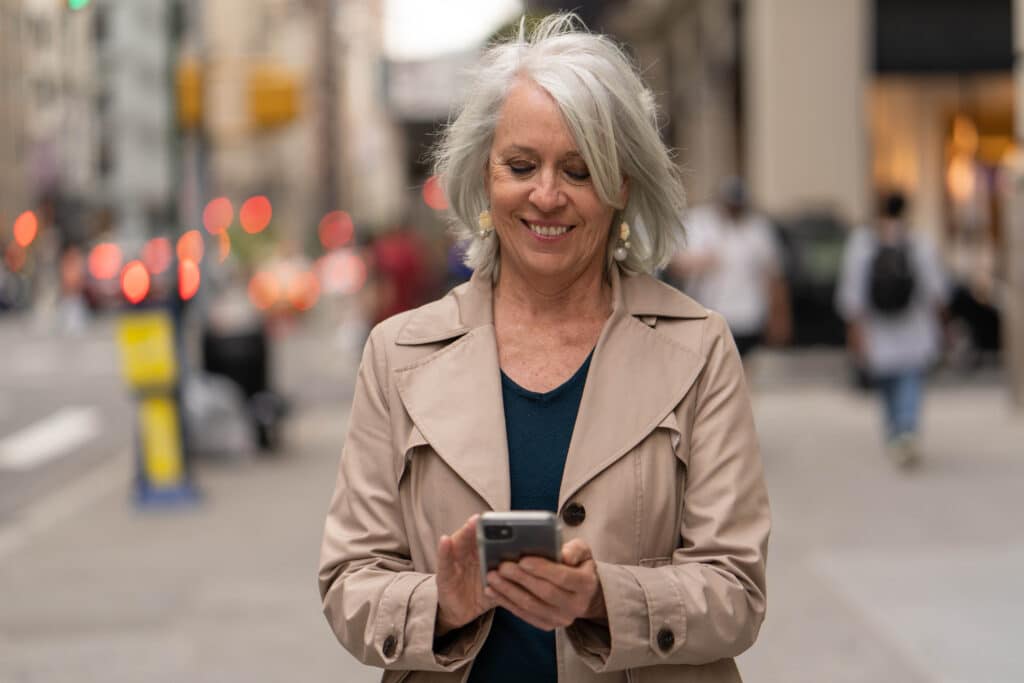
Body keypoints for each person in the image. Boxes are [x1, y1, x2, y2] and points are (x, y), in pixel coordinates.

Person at [319, 14, 770, 683]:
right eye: (521, 165)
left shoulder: (698, 348)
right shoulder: (399, 353)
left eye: (580, 170)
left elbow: (738, 590)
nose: (548, 195)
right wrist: (440, 604)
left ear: (621, 186)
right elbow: (348, 581)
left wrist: (601, 599)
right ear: (484, 175)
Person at [835, 192, 949, 467]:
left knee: (887, 386)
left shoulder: (862, 243)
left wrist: (854, 333)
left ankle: (896, 432)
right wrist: (942, 326)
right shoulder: (919, 242)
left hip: (877, 331)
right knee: (910, 380)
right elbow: (938, 291)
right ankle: (906, 431)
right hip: (915, 328)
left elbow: (851, 295)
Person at [664, 177, 791, 358]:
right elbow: (674, 264)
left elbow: (773, 275)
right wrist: (700, 262)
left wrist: (779, 317)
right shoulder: (698, 222)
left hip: (748, 315)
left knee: (742, 368)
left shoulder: (758, 227)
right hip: (708, 311)